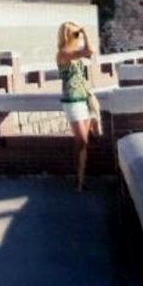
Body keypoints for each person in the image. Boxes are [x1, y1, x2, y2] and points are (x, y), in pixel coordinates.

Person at [56, 21, 98, 192]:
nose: (77, 36)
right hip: (72, 101)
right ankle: (78, 182)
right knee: (81, 141)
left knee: (84, 143)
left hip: (83, 98)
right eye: (74, 34)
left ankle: (81, 180)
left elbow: (90, 51)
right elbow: (89, 51)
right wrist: (83, 31)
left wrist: (83, 34)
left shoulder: (75, 53)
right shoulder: (63, 54)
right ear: (66, 36)